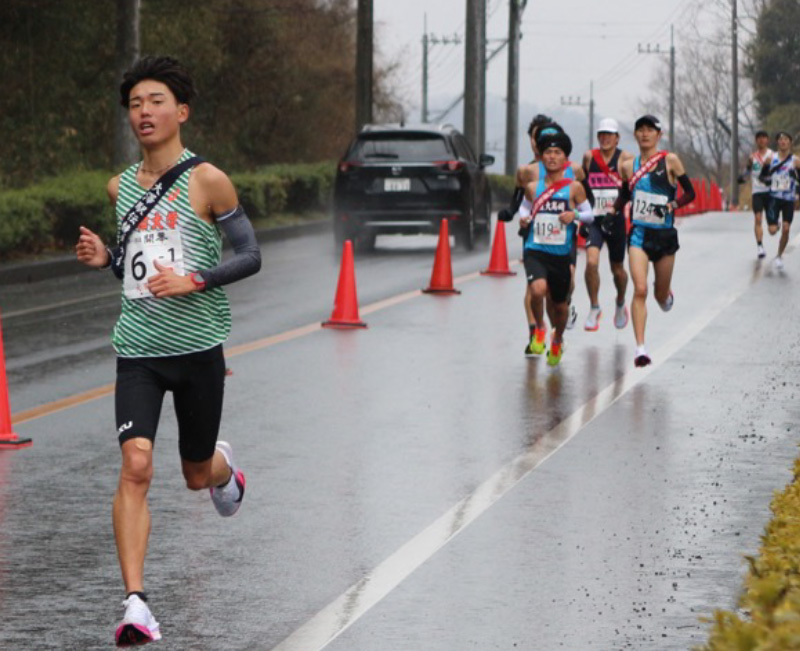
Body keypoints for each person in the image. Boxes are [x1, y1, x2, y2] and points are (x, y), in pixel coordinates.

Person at [75, 56, 261, 647]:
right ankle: (137, 604)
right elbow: (133, 276)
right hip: (139, 350)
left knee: (192, 473)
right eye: (135, 104)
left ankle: (223, 470)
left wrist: (197, 280)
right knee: (135, 464)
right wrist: (107, 260)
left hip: (199, 347)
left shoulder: (209, 180)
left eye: (155, 101)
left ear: (180, 112)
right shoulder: (120, 187)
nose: (144, 112)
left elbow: (250, 254)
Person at [610, 115, 695, 367]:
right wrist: (613, 212)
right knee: (640, 289)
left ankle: (665, 294)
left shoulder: (670, 161)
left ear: (659, 135)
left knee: (658, 296)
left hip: (665, 236)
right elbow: (625, 194)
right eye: (641, 130)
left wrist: (673, 203)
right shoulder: (627, 166)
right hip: (639, 235)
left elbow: (691, 192)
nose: (645, 134)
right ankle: (640, 349)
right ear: (635, 135)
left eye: (650, 130)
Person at [499, 117, 588, 356]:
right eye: (536, 138)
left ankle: (561, 320)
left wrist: (581, 218)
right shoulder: (527, 172)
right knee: (536, 288)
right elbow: (520, 201)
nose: (539, 144)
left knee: (564, 287)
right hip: (536, 238)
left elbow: (585, 201)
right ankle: (535, 332)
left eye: (552, 145)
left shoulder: (574, 170)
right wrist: (514, 214)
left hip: (563, 241)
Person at [518, 130, 594, 366]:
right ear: (541, 157)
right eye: (548, 152)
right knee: (538, 290)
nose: (552, 157)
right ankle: (539, 329)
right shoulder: (532, 187)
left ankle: (557, 338)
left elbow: (589, 215)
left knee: (560, 306)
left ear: (565, 159)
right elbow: (524, 208)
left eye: (557, 153)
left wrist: (575, 215)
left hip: (561, 254)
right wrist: (523, 219)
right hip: (535, 248)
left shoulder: (574, 188)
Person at [580, 118, 633, 330]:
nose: (605, 138)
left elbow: (632, 186)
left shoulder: (625, 158)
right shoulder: (588, 157)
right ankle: (594, 306)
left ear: (617, 138)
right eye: (602, 134)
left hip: (616, 220)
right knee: (591, 263)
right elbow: (581, 185)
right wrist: (582, 214)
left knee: (617, 269)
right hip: (595, 219)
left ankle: (620, 302)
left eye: (609, 134)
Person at [757, 130, 800, 270]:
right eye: (780, 139)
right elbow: (762, 177)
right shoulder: (771, 159)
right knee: (772, 230)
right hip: (774, 199)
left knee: (786, 230)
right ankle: (777, 223)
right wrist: (770, 181)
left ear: (790, 142)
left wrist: (797, 192)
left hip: (788, 199)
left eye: (786, 139)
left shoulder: (796, 161)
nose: (783, 142)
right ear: (777, 142)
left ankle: (779, 256)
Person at [737, 130, 773, 259]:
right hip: (757, 192)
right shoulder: (752, 157)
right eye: (759, 138)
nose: (761, 140)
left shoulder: (772, 156)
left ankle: (775, 222)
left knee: (772, 229)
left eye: (764, 138)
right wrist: (742, 178)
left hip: (770, 192)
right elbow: (747, 172)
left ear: (767, 140)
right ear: (756, 141)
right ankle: (760, 247)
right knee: (758, 219)